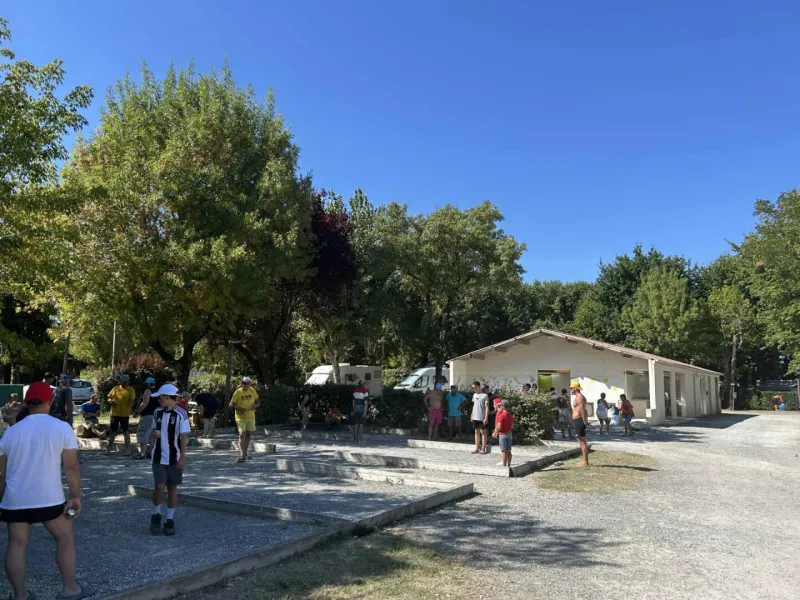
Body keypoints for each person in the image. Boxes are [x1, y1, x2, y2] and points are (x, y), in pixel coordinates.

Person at [0, 381, 93, 600]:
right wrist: (75, 496)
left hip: (15, 500)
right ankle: (70, 590)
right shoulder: (61, 427)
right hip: (49, 499)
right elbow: (71, 466)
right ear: (49, 402)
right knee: (65, 539)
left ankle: (20, 595)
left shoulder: (10, 433)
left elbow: (1, 474)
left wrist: (2, 499)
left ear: (26, 403)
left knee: (16, 545)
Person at [146, 384, 190, 536]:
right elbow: (154, 429)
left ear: (168, 397)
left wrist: (182, 458)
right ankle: (156, 514)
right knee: (159, 486)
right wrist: (154, 433)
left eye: (160, 397)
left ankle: (169, 519)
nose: (158, 400)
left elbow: (184, 437)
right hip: (158, 455)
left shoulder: (181, 414)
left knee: (172, 488)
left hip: (174, 457)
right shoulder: (157, 412)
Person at [230, 377, 259, 463]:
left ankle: (245, 453)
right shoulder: (238, 392)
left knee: (248, 434)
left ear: (250, 384)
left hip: (251, 416)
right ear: (241, 383)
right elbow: (231, 404)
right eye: (244, 383)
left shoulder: (252, 390)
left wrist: (255, 406)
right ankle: (242, 455)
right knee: (242, 434)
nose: (245, 385)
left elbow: (258, 401)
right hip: (240, 417)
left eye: (247, 383)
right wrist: (239, 408)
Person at [106, 374, 136, 455]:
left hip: (125, 414)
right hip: (115, 413)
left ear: (128, 381)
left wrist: (131, 403)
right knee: (113, 431)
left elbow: (132, 400)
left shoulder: (131, 389)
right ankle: (109, 448)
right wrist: (110, 401)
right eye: (123, 382)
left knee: (125, 431)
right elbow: (109, 398)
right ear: (120, 381)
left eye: (126, 382)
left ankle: (128, 449)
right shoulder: (115, 389)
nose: (125, 383)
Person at [133, 377, 158, 459]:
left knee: (143, 433)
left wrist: (137, 412)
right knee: (152, 436)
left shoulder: (148, 391)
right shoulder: (158, 392)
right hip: (155, 416)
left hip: (147, 416)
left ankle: (142, 453)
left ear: (148, 384)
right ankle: (151, 453)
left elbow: (145, 403)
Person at [571, 383, 590, 467]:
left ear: (575, 388)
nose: (571, 390)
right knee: (581, 441)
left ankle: (585, 462)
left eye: (571, 388)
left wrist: (585, 422)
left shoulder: (580, 397)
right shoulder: (577, 397)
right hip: (577, 420)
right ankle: (584, 461)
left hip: (579, 420)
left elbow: (582, 410)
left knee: (582, 442)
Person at [492, 398, 514, 467]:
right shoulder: (510, 415)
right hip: (509, 433)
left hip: (502, 434)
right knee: (509, 450)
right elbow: (512, 425)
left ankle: (504, 466)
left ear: (503, 406)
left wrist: (495, 432)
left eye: (500, 405)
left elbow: (499, 426)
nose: (499, 406)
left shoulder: (501, 415)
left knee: (503, 451)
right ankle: (509, 465)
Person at [470, 381, 489, 454]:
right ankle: (477, 448)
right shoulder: (474, 395)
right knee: (476, 432)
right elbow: (474, 405)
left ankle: (483, 449)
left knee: (483, 432)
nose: (473, 389)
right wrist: (472, 415)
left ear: (478, 386)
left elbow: (487, 407)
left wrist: (486, 418)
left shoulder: (485, 396)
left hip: (482, 417)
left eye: (474, 387)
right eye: (472, 388)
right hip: (475, 417)